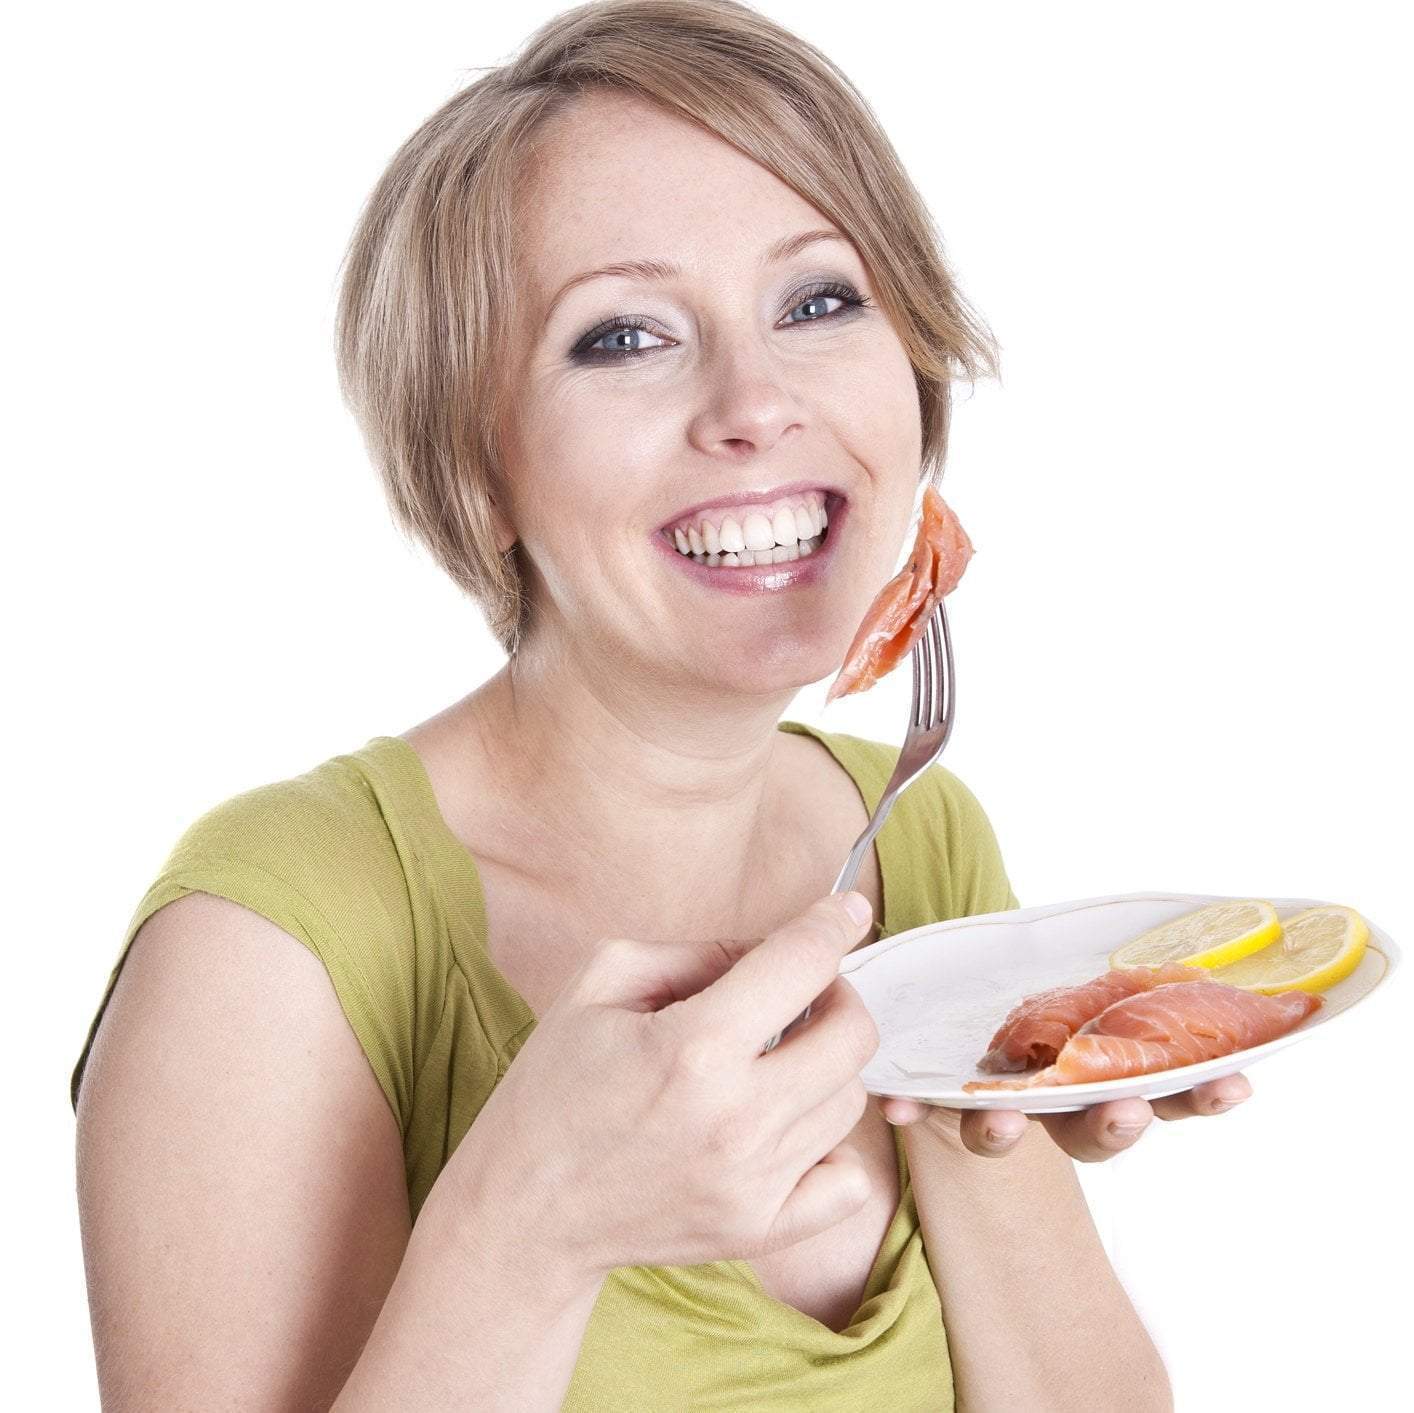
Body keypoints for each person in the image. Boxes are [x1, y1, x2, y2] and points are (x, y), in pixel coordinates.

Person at [72, 2, 1248, 1407]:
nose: (753, 402)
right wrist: (534, 1227)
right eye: (621, 336)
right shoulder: (271, 943)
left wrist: (962, 1090)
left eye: (817, 301)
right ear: (473, 476)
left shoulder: (916, 832)